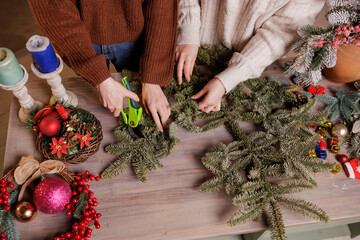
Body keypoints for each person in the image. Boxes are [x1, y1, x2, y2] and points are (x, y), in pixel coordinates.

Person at [28, 0, 178, 132]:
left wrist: (153, 77)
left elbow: (162, 6)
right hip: (80, 37)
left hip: (136, 30)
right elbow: (54, 9)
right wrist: (100, 78)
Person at [176, 0, 325, 113]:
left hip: (247, 63)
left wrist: (228, 78)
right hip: (183, 42)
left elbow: (280, 34)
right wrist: (188, 31)